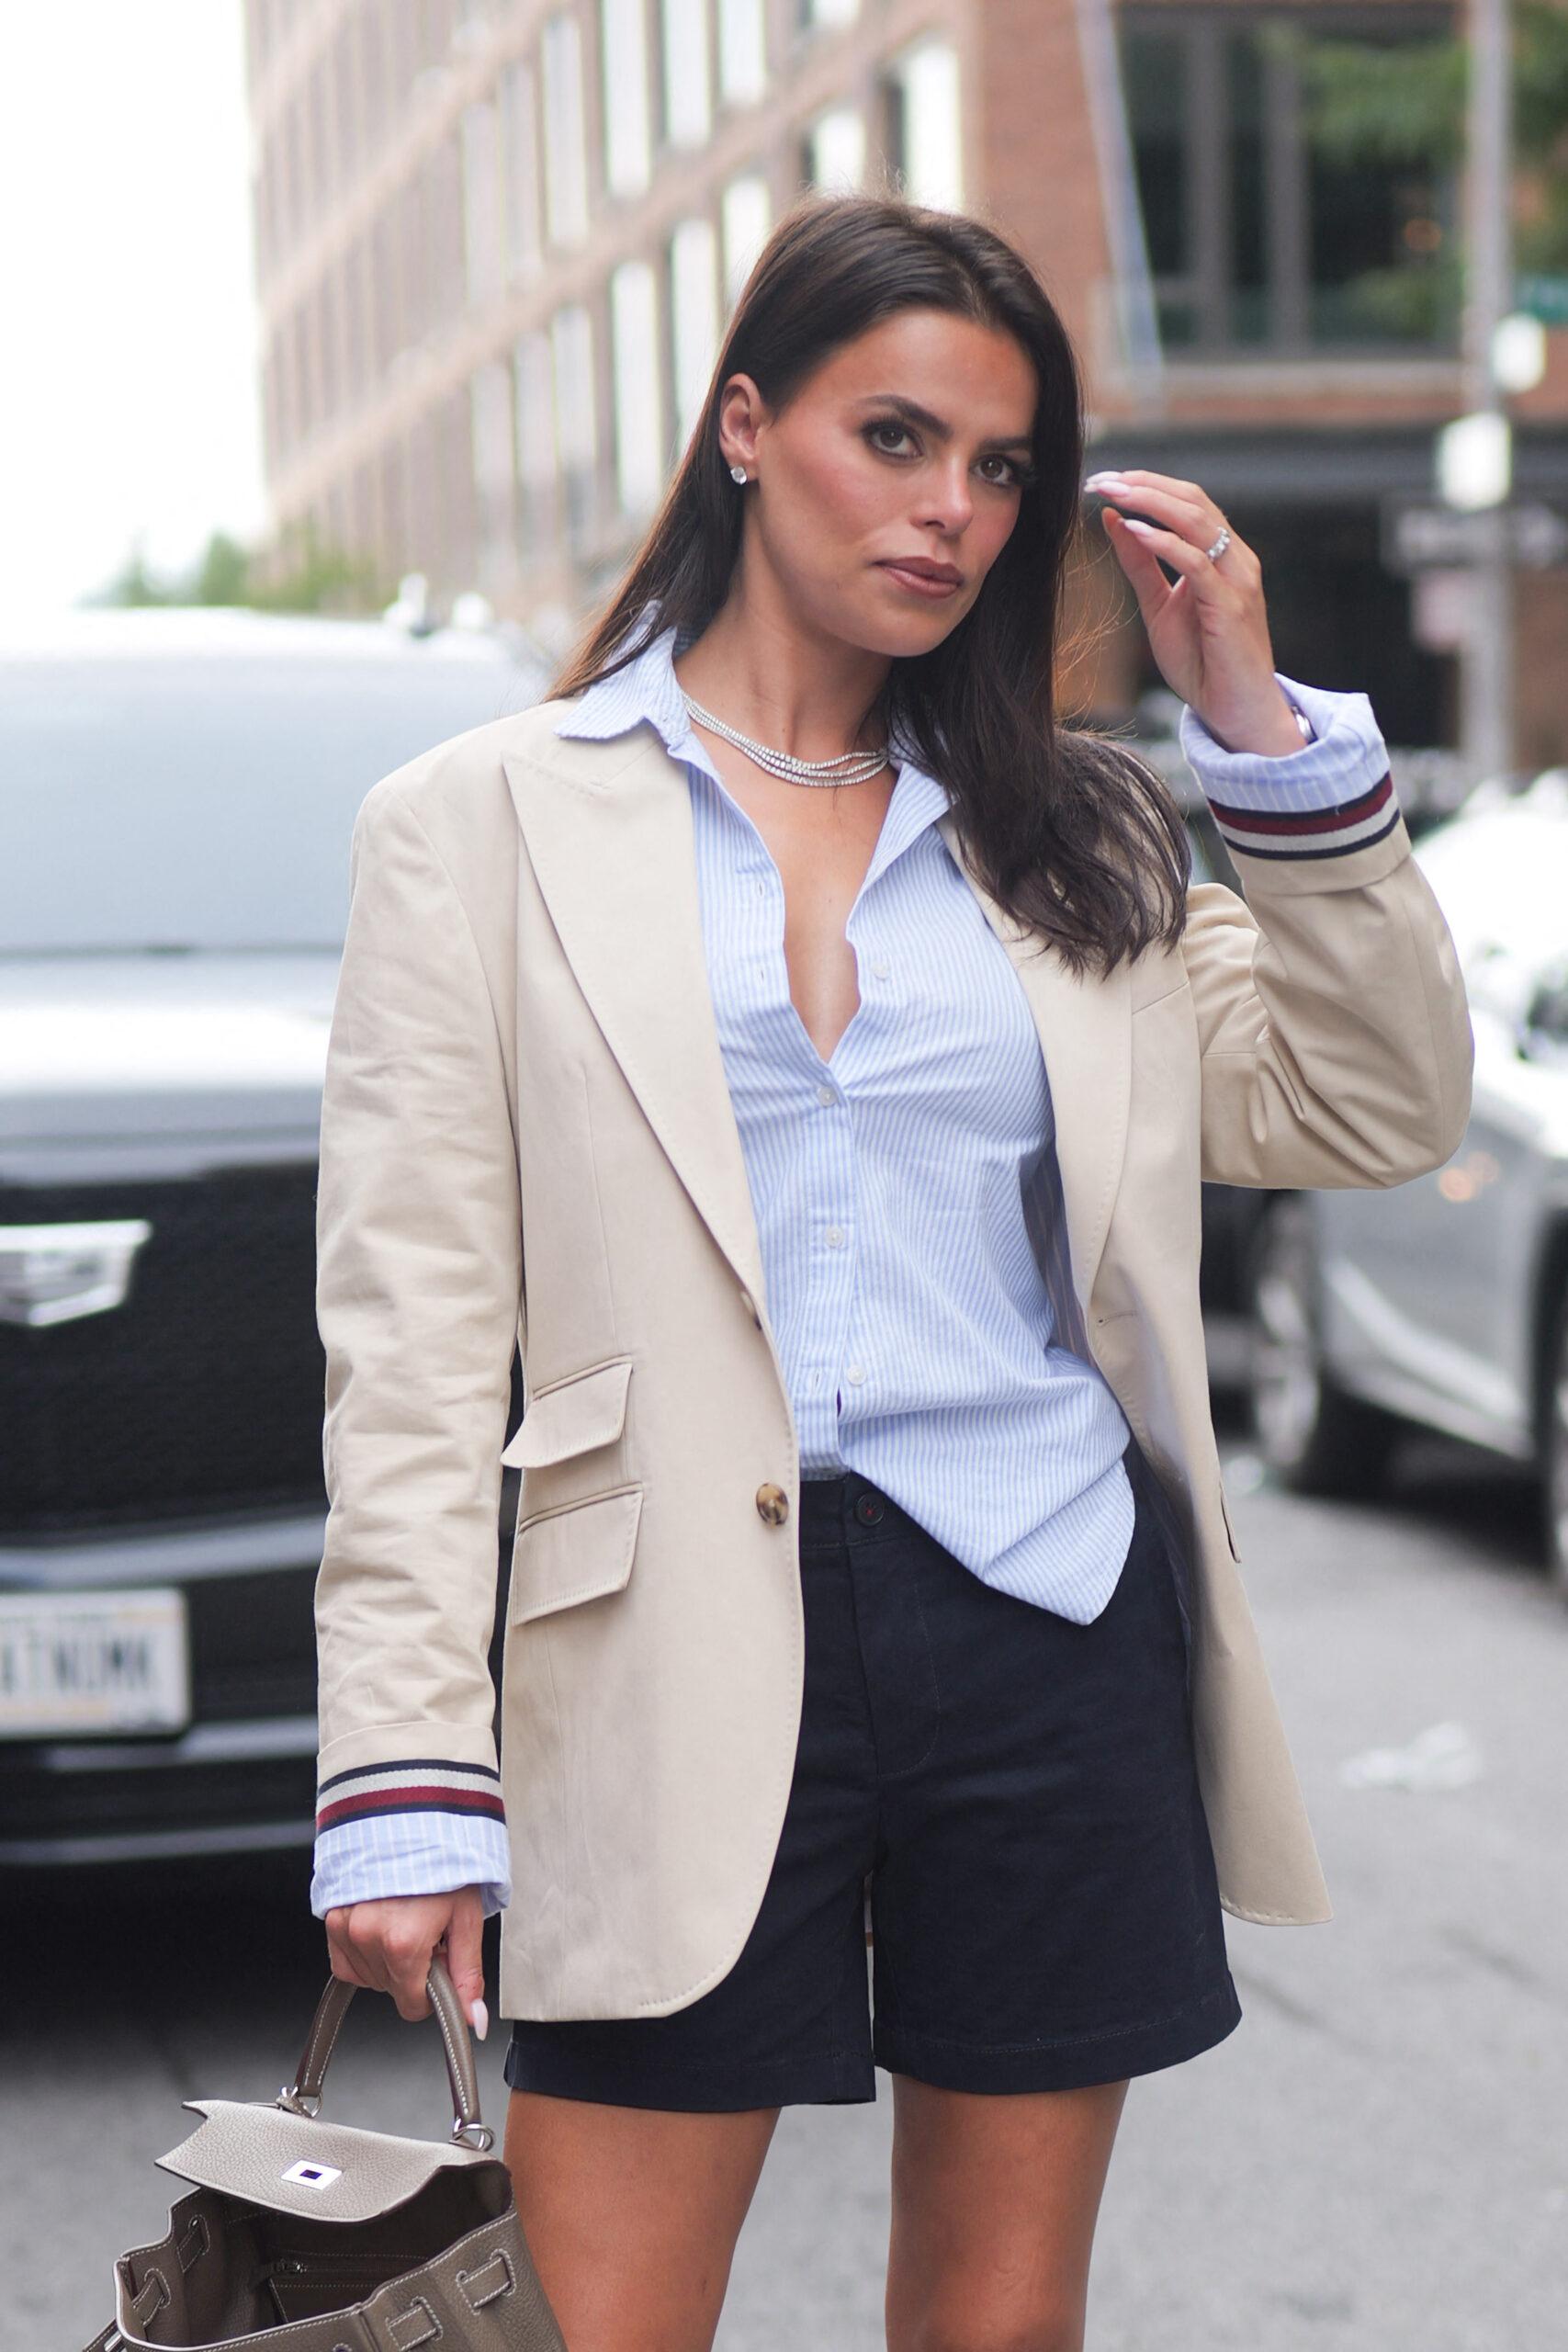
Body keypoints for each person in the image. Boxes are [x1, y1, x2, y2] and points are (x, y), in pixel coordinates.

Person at [310, 193, 1472, 2350]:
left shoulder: (1082, 829)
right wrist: (401, 1766)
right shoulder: (478, 824)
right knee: (598, 2323)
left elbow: (1366, 1104)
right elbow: (409, 1341)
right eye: (894, 437)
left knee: (997, 2325)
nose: (949, 509)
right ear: (744, 425)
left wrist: (1254, 727)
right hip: (656, 1640)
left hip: (1035, 1615)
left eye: (998, 465)